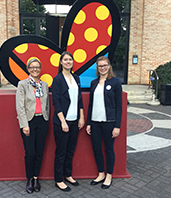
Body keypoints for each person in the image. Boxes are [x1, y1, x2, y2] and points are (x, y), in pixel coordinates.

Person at [86, 56, 122, 189]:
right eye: (100, 66)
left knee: (108, 149)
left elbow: (119, 106)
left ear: (109, 66)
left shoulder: (115, 82)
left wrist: (117, 126)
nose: (102, 68)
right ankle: (101, 173)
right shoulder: (94, 83)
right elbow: (91, 104)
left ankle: (109, 175)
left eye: (105, 65)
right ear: (97, 68)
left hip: (109, 122)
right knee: (96, 149)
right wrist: (89, 122)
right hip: (95, 122)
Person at [51, 51, 84, 192]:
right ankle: (59, 179)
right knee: (61, 152)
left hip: (75, 121)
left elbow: (80, 99)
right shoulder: (57, 79)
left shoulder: (76, 78)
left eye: (70, 59)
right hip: (62, 123)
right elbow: (56, 101)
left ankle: (67, 174)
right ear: (61, 62)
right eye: (65, 60)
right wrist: (63, 121)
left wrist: (81, 117)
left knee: (70, 150)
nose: (68, 62)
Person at [16, 59, 49, 193]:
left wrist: (46, 118)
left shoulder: (44, 84)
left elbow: (46, 104)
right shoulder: (22, 84)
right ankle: (29, 179)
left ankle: (36, 178)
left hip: (42, 121)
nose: (35, 69)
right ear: (28, 69)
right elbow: (20, 106)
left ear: (40, 68)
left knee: (39, 152)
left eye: (37, 67)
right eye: (32, 67)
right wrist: (24, 125)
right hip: (29, 122)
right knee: (30, 153)